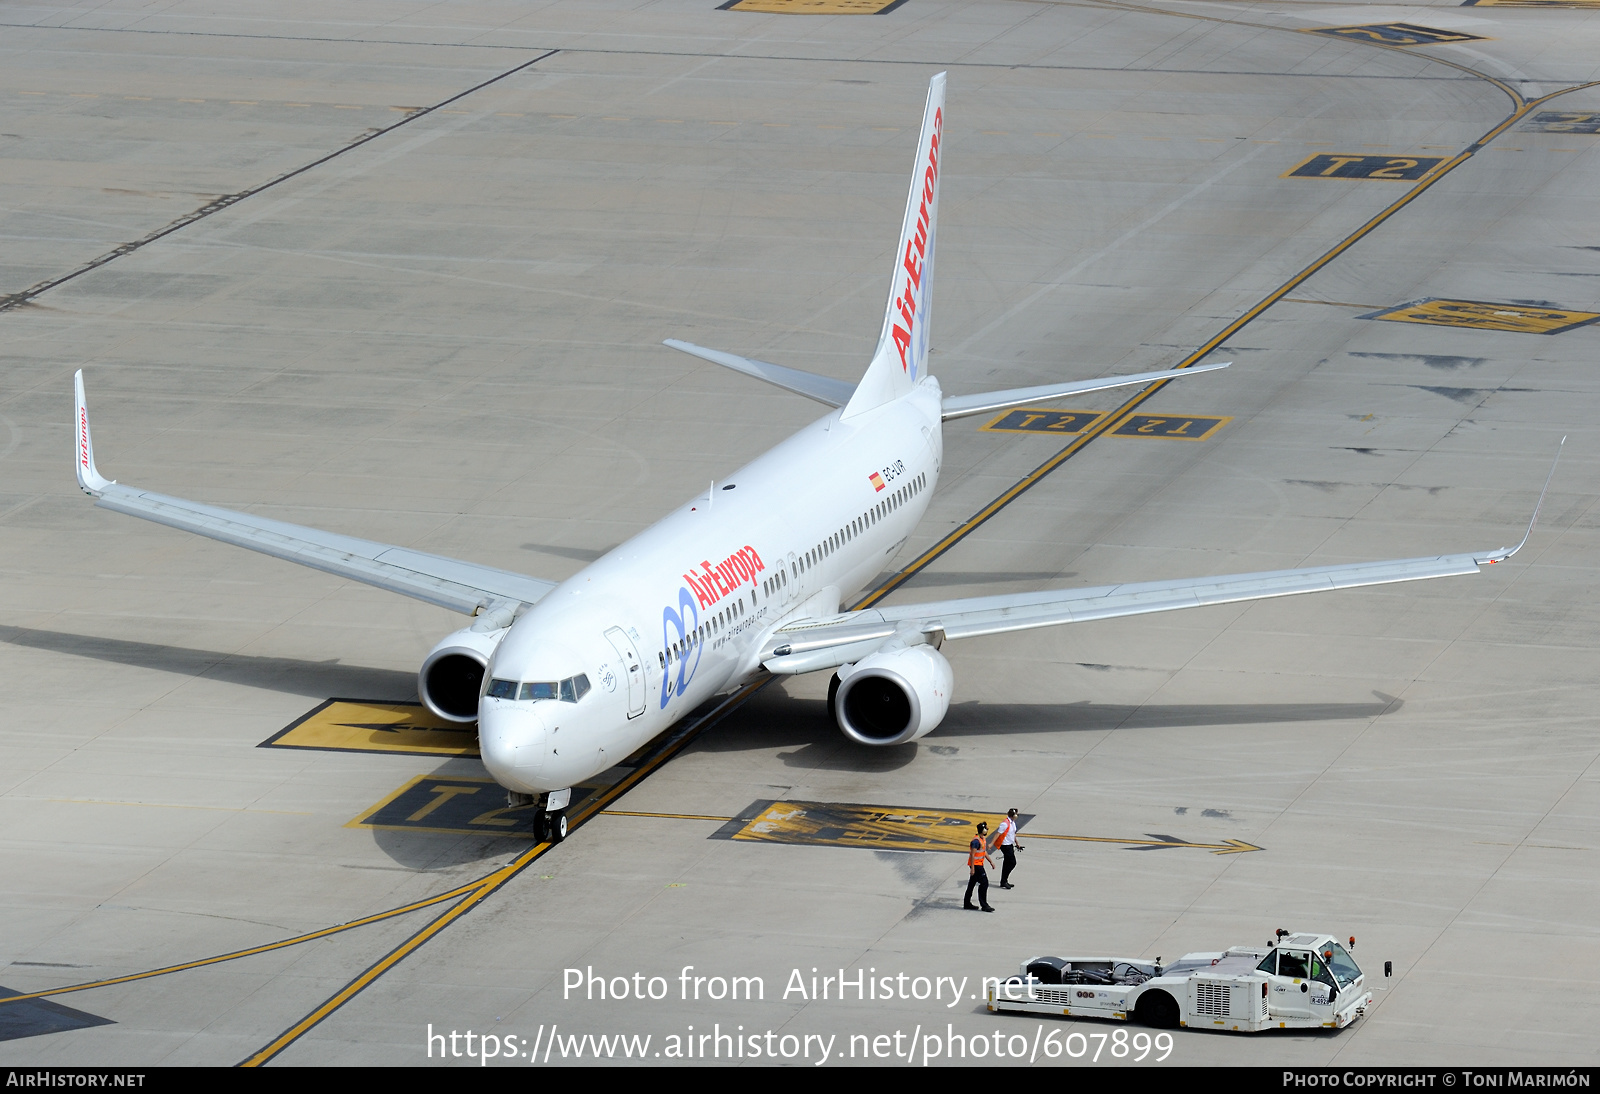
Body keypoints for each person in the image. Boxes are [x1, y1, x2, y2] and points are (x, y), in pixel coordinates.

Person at [964, 821, 995, 912]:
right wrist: (972, 868)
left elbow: (983, 852)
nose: (987, 830)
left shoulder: (982, 839)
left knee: (972, 883)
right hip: (976, 866)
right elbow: (972, 855)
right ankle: (984, 905)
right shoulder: (976, 841)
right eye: (985, 829)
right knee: (984, 883)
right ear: (982, 830)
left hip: (979, 864)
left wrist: (991, 862)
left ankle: (967, 903)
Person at [992, 808, 1023, 889]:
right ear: (1013, 815)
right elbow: (997, 834)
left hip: (1010, 844)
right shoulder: (1005, 823)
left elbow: (1013, 834)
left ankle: (1003, 881)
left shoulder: (1012, 823)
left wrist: (1017, 844)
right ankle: (1004, 880)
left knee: (1007, 863)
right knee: (1012, 862)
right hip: (1005, 845)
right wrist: (991, 844)